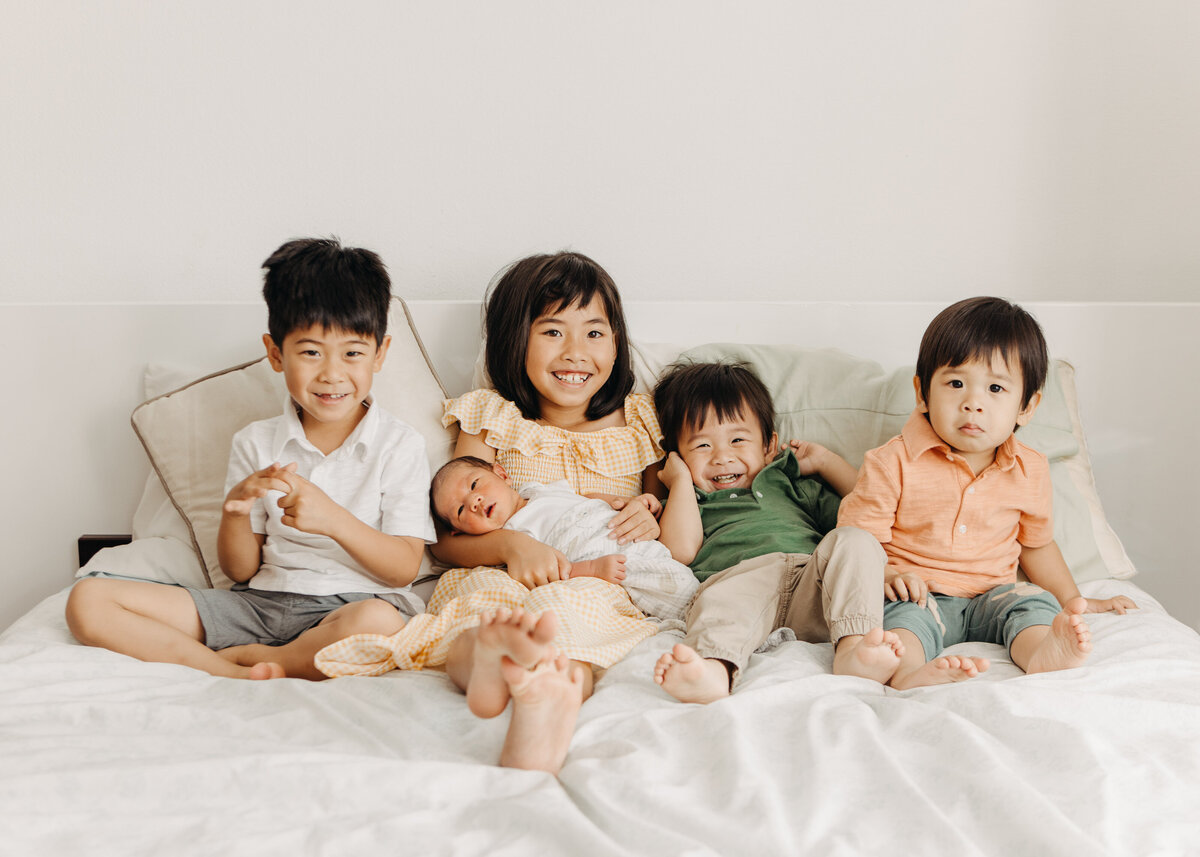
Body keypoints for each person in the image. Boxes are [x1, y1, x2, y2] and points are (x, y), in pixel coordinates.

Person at [316, 251, 664, 774]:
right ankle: (486, 658)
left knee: (577, 617)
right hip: (496, 571)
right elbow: (448, 536)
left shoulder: (639, 421)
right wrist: (509, 545)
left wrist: (652, 508)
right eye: (552, 332)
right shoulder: (491, 415)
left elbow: (664, 509)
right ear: (514, 338)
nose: (576, 352)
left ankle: (551, 692)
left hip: (595, 577)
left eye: (595, 332)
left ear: (617, 340)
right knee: (479, 608)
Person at [65, 238, 436, 680]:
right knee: (88, 600)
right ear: (276, 354)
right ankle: (228, 669)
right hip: (260, 605)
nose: (332, 374)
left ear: (380, 353)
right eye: (310, 352)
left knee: (381, 625)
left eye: (352, 353)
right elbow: (240, 569)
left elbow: (402, 569)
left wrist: (332, 518)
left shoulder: (399, 445)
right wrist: (235, 512)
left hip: (353, 605)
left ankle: (268, 660)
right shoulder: (255, 442)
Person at [837, 296, 1136, 690]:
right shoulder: (891, 462)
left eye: (995, 388)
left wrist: (1071, 599)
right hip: (920, 593)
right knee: (900, 625)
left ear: (1026, 407)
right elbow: (859, 543)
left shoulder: (1029, 469)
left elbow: (1037, 547)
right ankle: (908, 673)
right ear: (923, 393)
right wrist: (890, 575)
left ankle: (1042, 653)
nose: (973, 403)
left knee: (1031, 605)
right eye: (956, 383)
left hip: (993, 593)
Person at [650, 361, 905, 704]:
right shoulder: (688, 499)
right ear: (677, 455)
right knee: (720, 601)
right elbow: (679, 551)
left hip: (812, 585)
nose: (723, 457)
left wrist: (827, 462)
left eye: (738, 439)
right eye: (702, 447)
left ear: (769, 446)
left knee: (856, 539)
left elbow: (867, 503)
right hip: (742, 585)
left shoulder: (791, 483)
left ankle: (854, 646)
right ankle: (713, 669)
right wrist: (679, 480)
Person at [427, 455, 697, 622]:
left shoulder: (541, 491)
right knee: (674, 592)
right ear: (459, 532)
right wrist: (592, 570)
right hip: (608, 564)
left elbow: (588, 500)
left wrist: (635, 504)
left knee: (682, 581)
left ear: (501, 473)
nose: (474, 500)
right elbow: (551, 573)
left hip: (629, 537)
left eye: (475, 485)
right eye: (461, 510)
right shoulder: (510, 538)